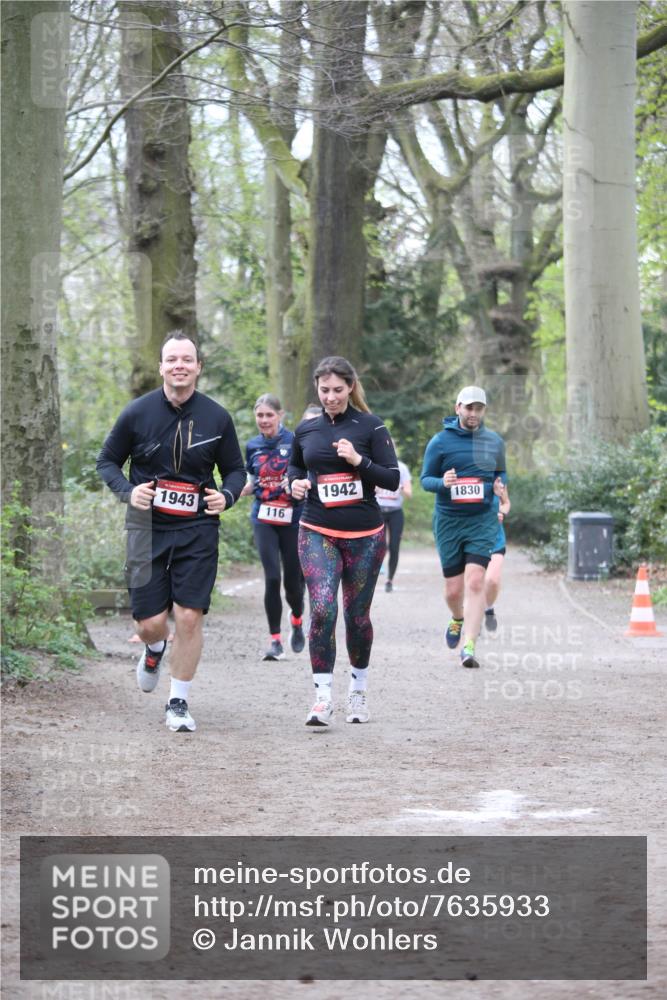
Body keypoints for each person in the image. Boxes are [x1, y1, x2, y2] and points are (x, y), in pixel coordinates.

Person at [96, 332, 246, 733]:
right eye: (172, 359)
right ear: (161, 367)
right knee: (150, 622)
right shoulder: (137, 413)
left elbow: (235, 469)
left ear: (198, 367)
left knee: (189, 615)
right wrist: (129, 492)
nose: (180, 365)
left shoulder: (217, 416)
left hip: (197, 527)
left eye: (187, 359)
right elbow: (107, 461)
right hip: (146, 527)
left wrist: (227, 496)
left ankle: (177, 701)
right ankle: (154, 648)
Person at [289, 357, 399, 727]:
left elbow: (392, 479)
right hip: (317, 530)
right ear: (316, 389)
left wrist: (358, 460)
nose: (331, 397)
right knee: (322, 610)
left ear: (351, 387)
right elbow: (295, 468)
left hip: (365, 537)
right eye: (324, 391)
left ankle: (358, 690)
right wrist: (296, 483)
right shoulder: (306, 430)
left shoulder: (371, 426)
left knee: (356, 617)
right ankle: (322, 698)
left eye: (338, 390)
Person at [420, 385, 506, 669]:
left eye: (478, 408)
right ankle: (457, 617)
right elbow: (425, 480)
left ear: (484, 411)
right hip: (449, 522)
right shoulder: (440, 442)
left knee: (476, 581)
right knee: (453, 590)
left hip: (482, 520)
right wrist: (442, 482)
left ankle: (469, 645)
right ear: (457, 408)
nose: (473, 413)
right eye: (468, 408)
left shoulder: (494, 442)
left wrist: (499, 486)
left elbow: (500, 473)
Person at [241, 393, 305, 661]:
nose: (264, 420)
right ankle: (275, 641)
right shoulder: (252, 445)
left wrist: (296, 483)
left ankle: (298, 619)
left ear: (280, 416)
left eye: (269, 415)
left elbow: (306, 472)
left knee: (293, 582)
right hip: (263, 518)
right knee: (271, 577)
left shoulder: (295, 442)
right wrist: (237, 489)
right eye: (260, 415)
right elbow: (250, 477)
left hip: (292, 518)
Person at [376, 447, 412, 592]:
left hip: (396, 512)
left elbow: (409, 494)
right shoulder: (376, 466)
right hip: (378, 511)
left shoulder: (402, 468)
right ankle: (372, 575)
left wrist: (400, 486)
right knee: (379, 546)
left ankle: (389, 580)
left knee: (394, 547)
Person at [484, 479, 511, 631]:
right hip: (471, 537)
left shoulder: (498, 479)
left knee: (492, 580)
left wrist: (501, 511)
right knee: (473, 581)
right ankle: (471, 617)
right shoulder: (465, 474)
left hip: (495, 539)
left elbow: (506, 502)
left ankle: (488, 608)